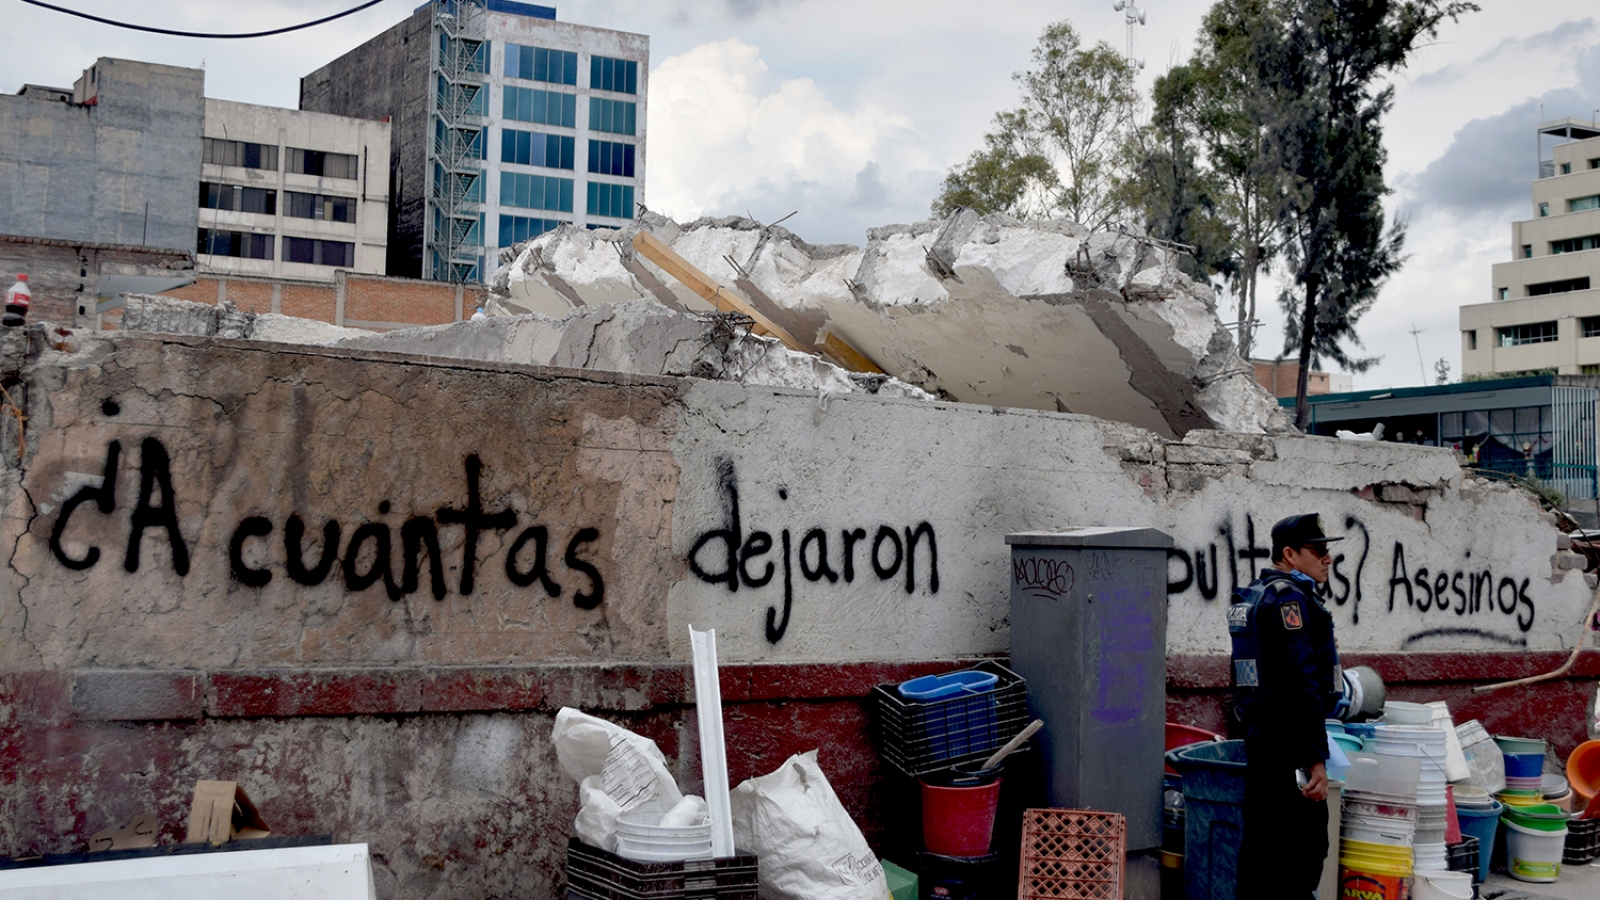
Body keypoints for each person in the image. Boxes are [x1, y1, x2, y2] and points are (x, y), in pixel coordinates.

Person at [1228, 513, 1344, 900]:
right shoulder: (1288, 601)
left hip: (1262, 740)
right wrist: (1315, 760)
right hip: (1288, 745)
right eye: (1319, 550)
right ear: (1290, 555)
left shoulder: (1257, 594)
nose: (1327, 558)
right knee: (1301, 855)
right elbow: (1301, 683)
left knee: (1261, 853)